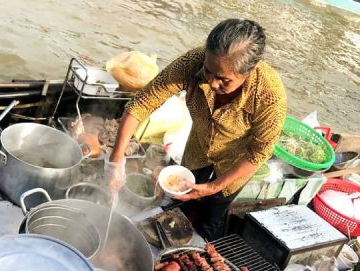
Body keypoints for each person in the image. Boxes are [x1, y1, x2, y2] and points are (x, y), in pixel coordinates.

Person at [106, 18, 287, 240]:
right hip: (199, 147)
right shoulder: (192, 62)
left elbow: (260, 151)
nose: (211, 83)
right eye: (208, 71)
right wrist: (116, 160)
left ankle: (200, 240)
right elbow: (142, 103)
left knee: (212, 213)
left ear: (248, 72)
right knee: (180, 199)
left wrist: (213, 187)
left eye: (223, 80)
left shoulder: (269, 95)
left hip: (236, 161)